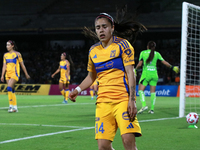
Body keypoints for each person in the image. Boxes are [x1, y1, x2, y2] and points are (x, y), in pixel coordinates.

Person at [69, 6, 147, 150]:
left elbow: (131, 73)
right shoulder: (93, 51)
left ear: (112, 28)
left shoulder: (123, 45)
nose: (101, 30)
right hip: (103, 102)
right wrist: (77, 90)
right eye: (98, 27)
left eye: (104, 27)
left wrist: (132, 100)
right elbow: (91, 76)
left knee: (128, 141)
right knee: (103, 146)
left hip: (122, 100)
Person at [135, 41, 179, 114]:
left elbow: (140, 64)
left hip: (146, 75)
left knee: (140, 90)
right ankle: (152, 109)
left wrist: (135, 69)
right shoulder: (157, 54)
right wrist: (172, 67)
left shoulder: (143, 53)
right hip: (155, 75)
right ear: (154, 47)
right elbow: (164, 62)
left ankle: (144, 106)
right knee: (153, 92)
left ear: (147, 46)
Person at [1, 40, 30, 113]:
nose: (7, 46)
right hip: (7, 75)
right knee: (12, 90)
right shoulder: (5, 55)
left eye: (8, 45)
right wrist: (2, 75)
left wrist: (26, 74)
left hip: (15, 74)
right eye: (6, 45)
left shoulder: (17, 54)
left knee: (9, 88)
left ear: (12, 46)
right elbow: (4, 66)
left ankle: (10, 106)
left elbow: (22, 65)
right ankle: (15, 107)